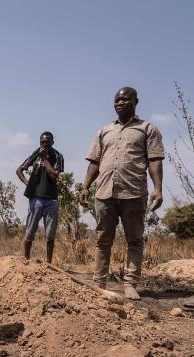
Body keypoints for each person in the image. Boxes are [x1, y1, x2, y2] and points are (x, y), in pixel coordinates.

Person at [80, 87, 164, 300]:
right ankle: (99, 282)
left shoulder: (147, 129)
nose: (120, 102)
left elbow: (154, 160)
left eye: (125, 99)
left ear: (136, 101)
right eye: (117, 99)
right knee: (102, 239)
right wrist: (85, 187)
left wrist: (157, 188)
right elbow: (94, 162)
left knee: (134, 240)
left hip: (134, 192)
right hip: (105, 192)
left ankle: (130, 284)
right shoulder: (104, 130)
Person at [16, 131, 64, 263]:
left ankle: (49, 264)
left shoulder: (58, 156)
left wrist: (45, 159)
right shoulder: (35, 153)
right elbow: (19, 170)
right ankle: (26, 261)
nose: (44, 144)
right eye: (42, 142)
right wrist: (27, 184)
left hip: (51, 199)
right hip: (36, 198)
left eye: (47, 142)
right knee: (30, 232)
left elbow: (54, 175)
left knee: (50, 234)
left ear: (52, 142)